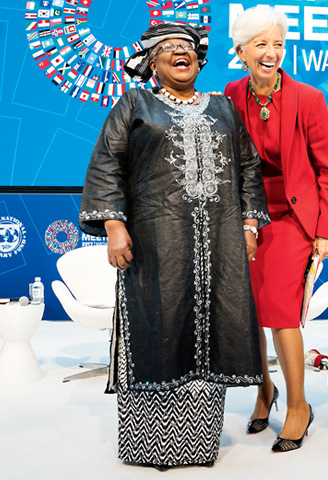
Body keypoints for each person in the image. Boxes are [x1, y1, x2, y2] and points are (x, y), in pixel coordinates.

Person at [79, 23, 270, 468]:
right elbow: (108, 162)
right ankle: (152, 446)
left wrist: (249, 224)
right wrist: (112, 223)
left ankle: (199, 445)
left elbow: (247, 166)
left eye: (187, 46)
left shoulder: (222, 108)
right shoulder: (134, 103)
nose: (180, 52)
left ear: (199, 60)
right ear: (151, 62)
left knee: (212, 329)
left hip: (220, 242)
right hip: (155, 243)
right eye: (168, 48)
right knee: (158, 328)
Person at [225, 6, 328, 453]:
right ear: (241, 51)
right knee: (248, 311)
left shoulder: (308, 98)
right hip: (247, 215)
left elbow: (326, 168)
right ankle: (265, 391)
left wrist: (324, 230)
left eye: (279, 44)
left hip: (294, 215)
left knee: (282, 310)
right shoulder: (230, 94)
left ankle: (299, 406)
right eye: (262, 44)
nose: (272, 53)